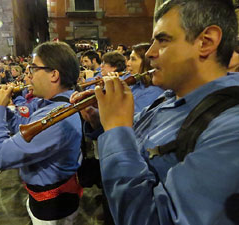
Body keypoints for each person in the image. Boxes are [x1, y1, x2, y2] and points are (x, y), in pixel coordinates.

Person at [75, 0, 239, 224]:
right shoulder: (171, 95)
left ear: (206, 41)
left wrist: (116, 129)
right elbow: (136, 144)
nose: (150, 53)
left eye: (162, 40)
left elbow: (152, 219)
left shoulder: (231, 129)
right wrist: (99, 120)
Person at [0, 41, 83, 224]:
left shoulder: (57, 117)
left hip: (53, 209)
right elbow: (24, 125)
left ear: (54, 74)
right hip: (45, 199)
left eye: (33, 69)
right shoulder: (49, 104)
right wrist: (5, 109)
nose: (28, 76)